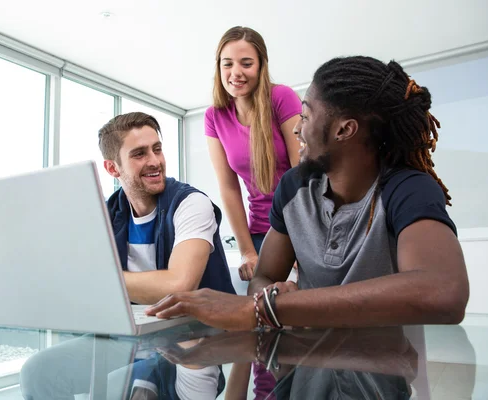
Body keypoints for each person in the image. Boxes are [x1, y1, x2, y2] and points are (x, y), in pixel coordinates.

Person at [146, 56, 470, 333]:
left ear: (345, 129)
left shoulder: (408, 188)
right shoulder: (293, 187)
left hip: (387, 371)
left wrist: (271, 309)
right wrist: (273, 293)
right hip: (306, 365)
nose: (298, 128)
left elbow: (443, 292)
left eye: (306, 114)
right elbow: (263, 279)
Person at [20, 112, 235, 399]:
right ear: (112, 168)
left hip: (195, 332)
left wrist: (96, 279)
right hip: (136, 331)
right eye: (139, 154)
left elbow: (179, 285)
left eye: (157, 149)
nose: (155, 161)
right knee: (38, 370)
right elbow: (76, 279)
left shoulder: (191, 204)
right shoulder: (108, 213)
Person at [205, 26, 301, 282]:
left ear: (260, 66)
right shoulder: (214, 116)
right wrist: (247, 251)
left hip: (299, 226)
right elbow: (228, 188)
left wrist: (303, 239)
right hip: (260, 232)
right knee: (260, 312)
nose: (236, 73)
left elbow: (303, 173)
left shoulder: (282, 97)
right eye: (228, 64)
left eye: (246, 63)